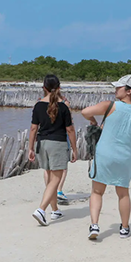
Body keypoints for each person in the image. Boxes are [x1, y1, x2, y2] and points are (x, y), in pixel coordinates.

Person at [81, 74, 131, 240]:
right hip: (125, 156)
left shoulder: (110, 105)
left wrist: (94, 122)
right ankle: (124, 228)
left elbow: (85, 112)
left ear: (129, 91)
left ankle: (94, 225)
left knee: (97, 191)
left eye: (119, 87)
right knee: (123, 193)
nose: (115, 89)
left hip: (105, 154)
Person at [28, 75, 78, 226]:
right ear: (59, 88)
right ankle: (41, 210)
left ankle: (55, 210)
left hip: (42, 143)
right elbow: (70, 130)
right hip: (58, 143)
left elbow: (33, 129)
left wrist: (30, 147)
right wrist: (75, 149)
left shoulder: (38, 105)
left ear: (44, 88)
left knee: (50, 177)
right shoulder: (63, 107)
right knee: (56, 179)